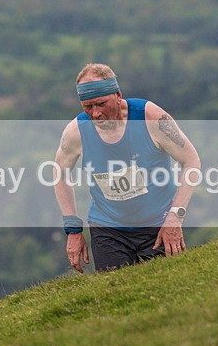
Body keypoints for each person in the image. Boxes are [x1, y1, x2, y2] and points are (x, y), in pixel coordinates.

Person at [53, 63, 201, 273]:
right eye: (87, 107)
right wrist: (73, 228)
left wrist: (175, 217)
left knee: (166, 293)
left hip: (157, 226)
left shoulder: (151, 118)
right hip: (108, 228)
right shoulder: (75, 132)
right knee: (115, 297)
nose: (95, 114)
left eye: (101, 104)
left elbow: (191, 161)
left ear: (118, 95)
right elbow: (60, 172)